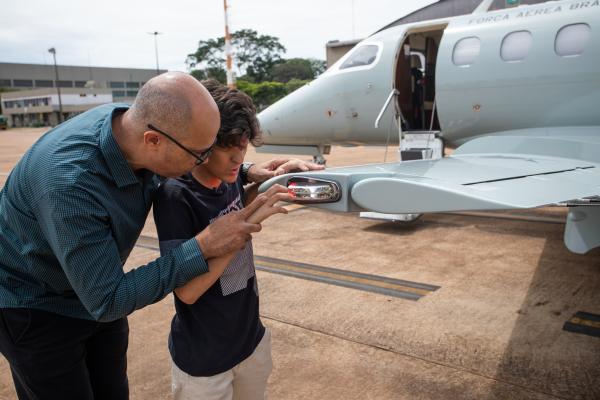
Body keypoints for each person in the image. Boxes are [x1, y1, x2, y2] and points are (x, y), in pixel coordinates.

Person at [0, 72, 319, 400]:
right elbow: (108, 300)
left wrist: (249, 171)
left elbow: (192, 147)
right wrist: (203, 245)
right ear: (153, 141)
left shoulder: (135, 125)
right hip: (35, 305)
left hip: (93, 291)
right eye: (200, 155)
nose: (203, 162)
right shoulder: (70, 187)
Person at [153, 80, 310, 400]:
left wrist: (280, 180)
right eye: (228, 146)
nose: (238, 157)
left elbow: (243, 197)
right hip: (205, 361)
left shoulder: (231, 177)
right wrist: (247, 224)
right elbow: (187, 291)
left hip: (250, 341)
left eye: (244, 144)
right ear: (202, 141)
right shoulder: (175, 196)